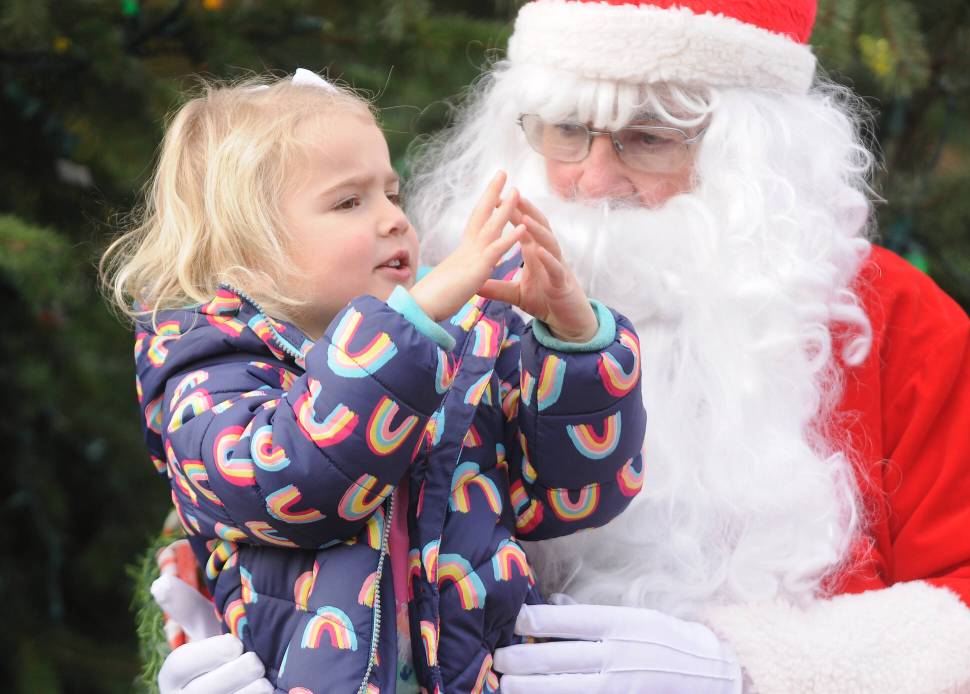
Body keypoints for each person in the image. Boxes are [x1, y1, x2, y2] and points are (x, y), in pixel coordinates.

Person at [154, 0, 970, 692]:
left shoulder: (882, 318)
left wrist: (755, 673)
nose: (593, 181)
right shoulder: (407, 301)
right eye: (565, 131)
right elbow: (272, 490)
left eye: (649, 137)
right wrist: (213, 634)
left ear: (755, 156)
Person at [102, 68, 647, 693]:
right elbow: (298, 480)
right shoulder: (211, 372)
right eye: (349, 201)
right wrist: (409, 324)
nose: (393, 219)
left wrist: (575, 342)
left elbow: (568, 495)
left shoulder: (459, 349)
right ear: (246, 250)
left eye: (392, 193)